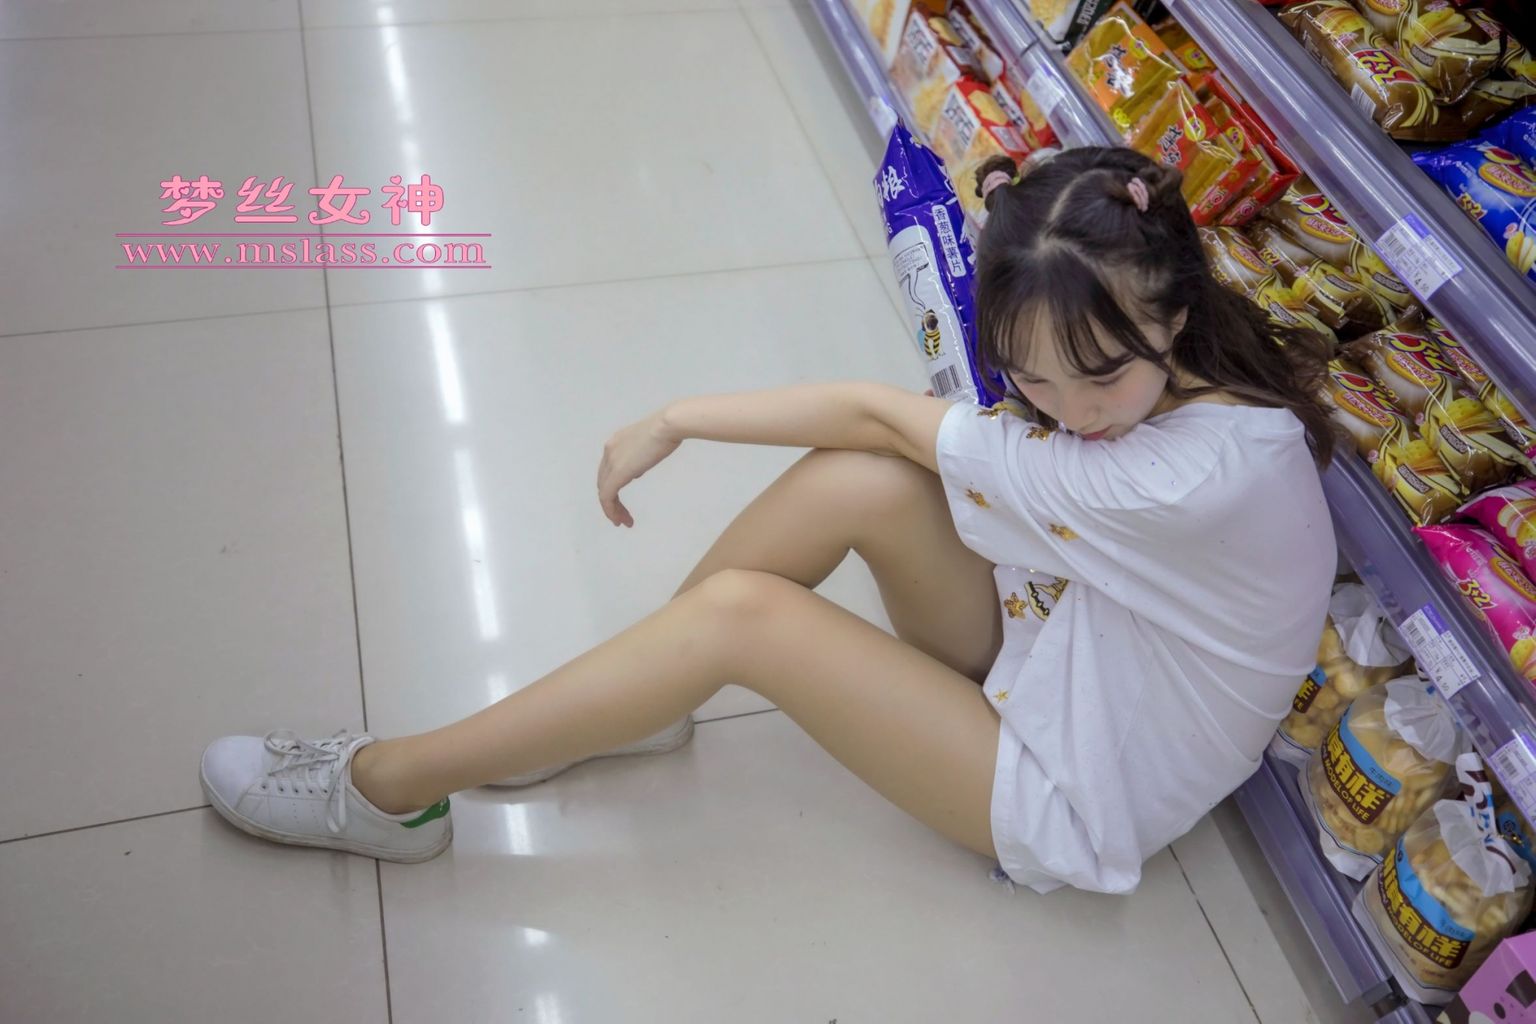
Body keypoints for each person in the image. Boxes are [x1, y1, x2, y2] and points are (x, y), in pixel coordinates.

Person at [198, 145, 1337, 894]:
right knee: (861, 479)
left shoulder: (1185, 479)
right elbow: (875, 435)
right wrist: (679, 419)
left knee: (745, 613)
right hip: (1072, 642)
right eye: (1032, 380)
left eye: (1101, 378)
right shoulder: (1191, 370)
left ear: (1174, 310)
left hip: (1078, 787)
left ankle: (388, 790)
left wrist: (673, 420)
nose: (1071, 413)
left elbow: (874, 406)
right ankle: (650, 699)